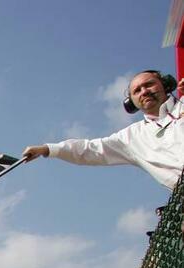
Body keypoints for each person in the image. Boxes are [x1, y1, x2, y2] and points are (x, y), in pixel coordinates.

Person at [23, 71, 184, 190]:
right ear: (131, 103)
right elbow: (91, 150)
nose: (144, 91)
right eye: (137, 90)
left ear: (166, 85)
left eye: (149, 84)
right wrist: (48, 149)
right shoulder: (131, 137)